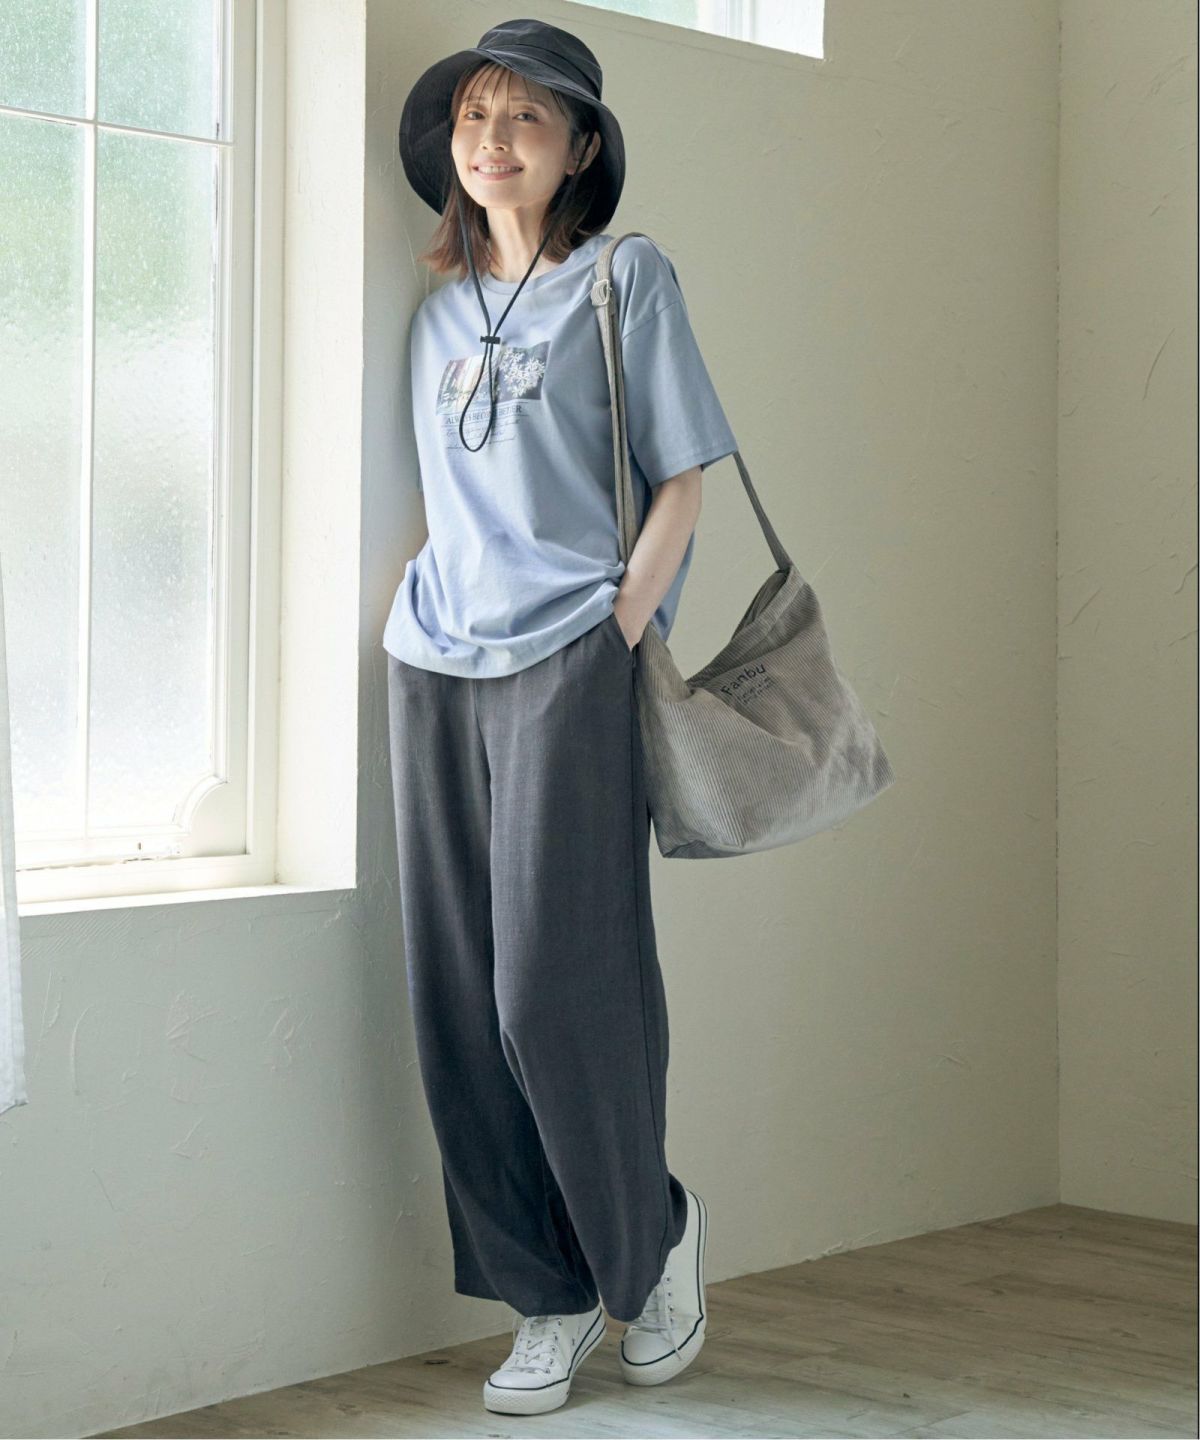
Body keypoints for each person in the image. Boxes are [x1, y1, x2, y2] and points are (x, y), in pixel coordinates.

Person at [388, 18, 731, 1417]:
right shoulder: (435, 317)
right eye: (476, 116)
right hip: (433, 660)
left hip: (570, 660)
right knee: (460, 996)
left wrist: (619, 627)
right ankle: (544, 1294)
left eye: (526, 117)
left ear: (580, 146)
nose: (494, 141)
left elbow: (684, 476)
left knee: (558, 983)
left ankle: (648, 1240)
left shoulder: (622, 278)